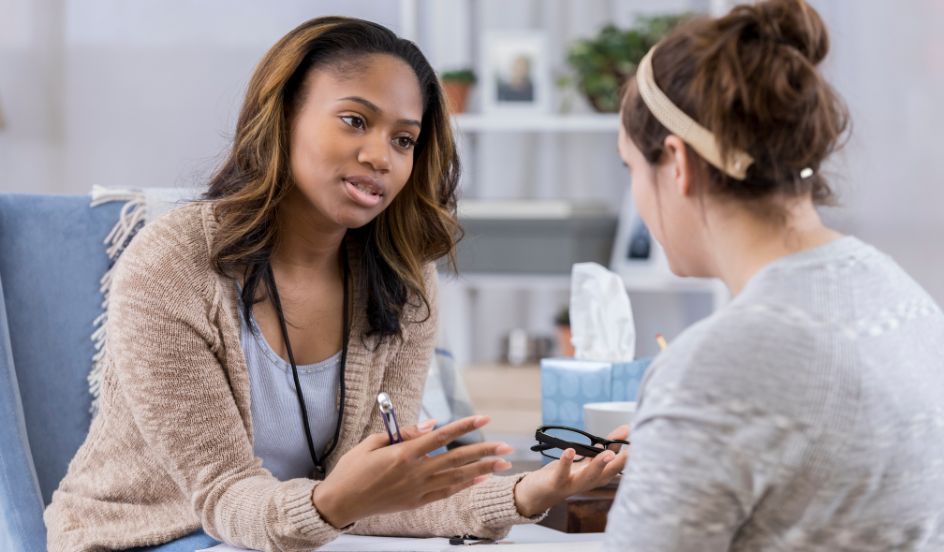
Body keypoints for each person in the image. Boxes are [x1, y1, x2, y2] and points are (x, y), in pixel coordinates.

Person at [44, 17, 625, 551]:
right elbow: (225, 496)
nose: (381, 157)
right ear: (285, 115)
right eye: (355, 121)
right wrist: (336, 501)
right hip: (145, 537)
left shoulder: (404, 278)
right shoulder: (174, 266)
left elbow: (371, 497)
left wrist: (526, 494)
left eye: (404, 140)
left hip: (298, 532)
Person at [605, 0, 944, 550]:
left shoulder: (718, 363)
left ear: (677, 163)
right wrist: (682, 454)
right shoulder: (901, 296)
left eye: (631, 169)